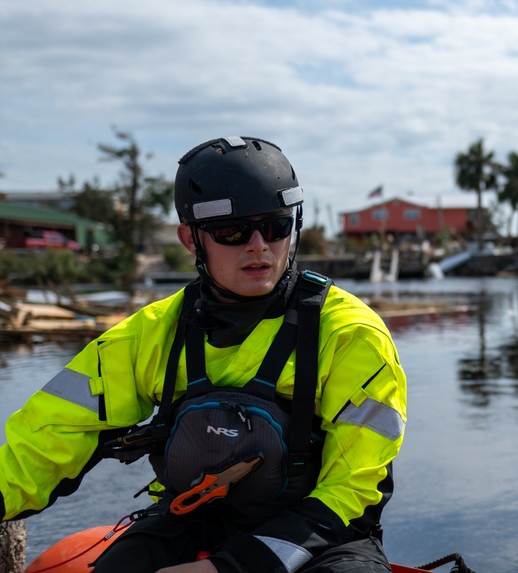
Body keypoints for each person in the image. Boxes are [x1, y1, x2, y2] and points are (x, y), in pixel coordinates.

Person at [0, 136, 407, 573]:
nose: (258, 246)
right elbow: (44, 443)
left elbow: (354, 488)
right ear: (191, 240)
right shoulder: (150, 336)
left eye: (275, 226)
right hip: (190, 520)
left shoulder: (349, 335)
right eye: (232, 231)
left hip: (318, 533)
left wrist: (235, 566)